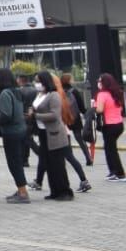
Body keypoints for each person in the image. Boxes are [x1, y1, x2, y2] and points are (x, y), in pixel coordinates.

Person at [32, 71, 77, 200]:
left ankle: (65, 191)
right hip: (42, 132)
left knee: (57, 164)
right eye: (35, 81)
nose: (36, 84)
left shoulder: (53, 95)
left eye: (39, 81)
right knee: (48, 163)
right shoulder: (39, 95)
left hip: (54, 133)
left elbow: (54, 115)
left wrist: (36, 116)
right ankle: (54, 191)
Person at [0, 68, 31, 203]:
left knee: (14, 163)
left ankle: (23, 193)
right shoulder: (17, 92)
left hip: (11, 132)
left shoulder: (4, 94)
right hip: (21, 130)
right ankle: (21, 189)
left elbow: (6, 115)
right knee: (18, 162)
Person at [93, 73, 126, 182]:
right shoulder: (117, 93)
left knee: (111, 150)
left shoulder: (102, 94)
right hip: (119, 124)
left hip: (109, 125)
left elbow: (99, 110)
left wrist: (94, 105)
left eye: (99, 81)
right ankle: (113, 171)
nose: (98, 83)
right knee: (109, 148)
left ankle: (119, 173)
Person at [59, 74, 93, 167]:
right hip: (75, 117)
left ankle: (71, 159)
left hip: (64, 118)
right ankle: (88, 158)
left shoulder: (59, 92)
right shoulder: (74, 91)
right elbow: (81, 106)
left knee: (66, 139)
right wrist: (87, 115)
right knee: (79, 138)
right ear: (69, 81)